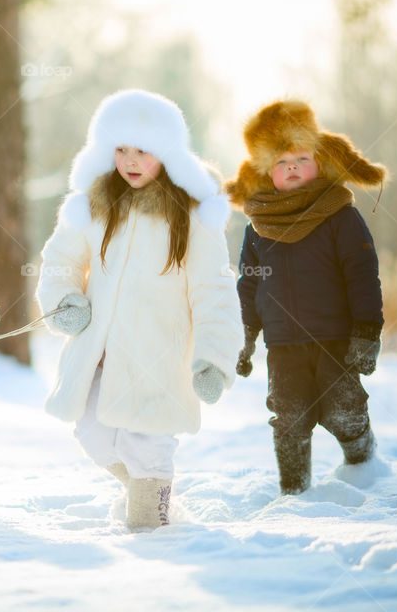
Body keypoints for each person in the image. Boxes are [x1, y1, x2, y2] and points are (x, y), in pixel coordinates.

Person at [36, 89, 243, 530]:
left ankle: (153, 533)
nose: (130, 160)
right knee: (91, 433)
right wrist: (64, 301)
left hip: (160, 357)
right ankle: (152, 497)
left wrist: (215, 357)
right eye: (121, 149)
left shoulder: (192, 215)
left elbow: (215, 290)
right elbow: (61, 261)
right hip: (103, 353)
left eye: (143, 151)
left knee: (146, 446)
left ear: (167, 153)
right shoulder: (94, 202)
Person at [226, 99, 388, 495]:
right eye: (282, 162)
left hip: (335, 340)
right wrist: (243, 335)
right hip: (282, 345)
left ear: (320, 161)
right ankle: (294, 491)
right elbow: (249, 284)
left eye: (301, 157)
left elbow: (362, 275)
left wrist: (367, 331)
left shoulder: (339, 215)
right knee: (288, 418)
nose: (292, 166)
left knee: (344, 412)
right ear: (266, 171)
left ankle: (364, 466)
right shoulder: (258, 224)